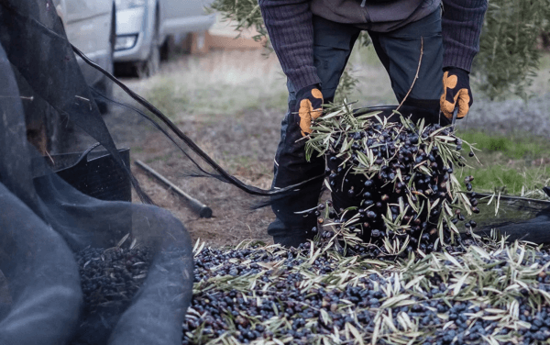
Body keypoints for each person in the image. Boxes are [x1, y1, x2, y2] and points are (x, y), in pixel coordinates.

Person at [258, 0, 488, 247]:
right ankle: (293, 236)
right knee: (307, 116)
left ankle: (423, 229)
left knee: (432, 118)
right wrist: (304, 81)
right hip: (326, 9)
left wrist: (457, 65)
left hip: (410, 12)